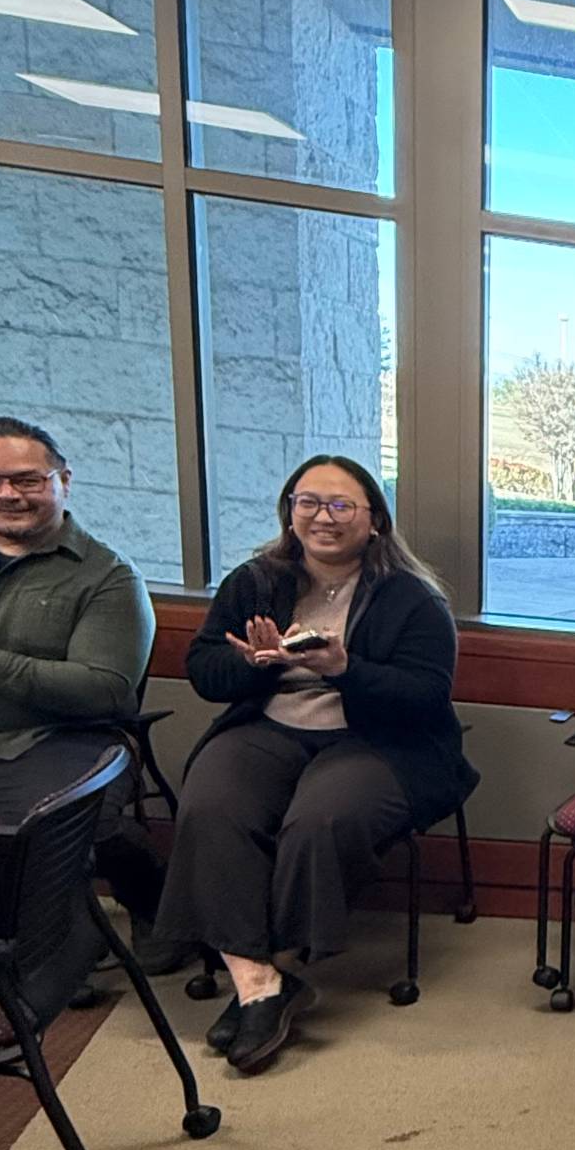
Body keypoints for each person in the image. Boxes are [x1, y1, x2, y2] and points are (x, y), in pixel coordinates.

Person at [147, 455, 474, 1075]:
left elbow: (424, 696)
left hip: (378, 740)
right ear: (290, 511)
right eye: (309, 502)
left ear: (373, 519)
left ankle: (282, 968)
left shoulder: (412, 599)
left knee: (319, 820)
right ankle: (260, 984)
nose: (323, 517)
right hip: (269, 724)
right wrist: (253, 663)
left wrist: (345, 670)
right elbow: (205, 674)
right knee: (212, 803)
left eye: (341, 505)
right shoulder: (254, 581)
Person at [0, 416, 161, 923]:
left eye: (26, 480)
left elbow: (104, 691)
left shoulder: (108, 577)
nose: (5, 495)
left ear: (63, 482)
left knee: (69, 826)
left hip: (41, 740)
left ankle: (145, 917)